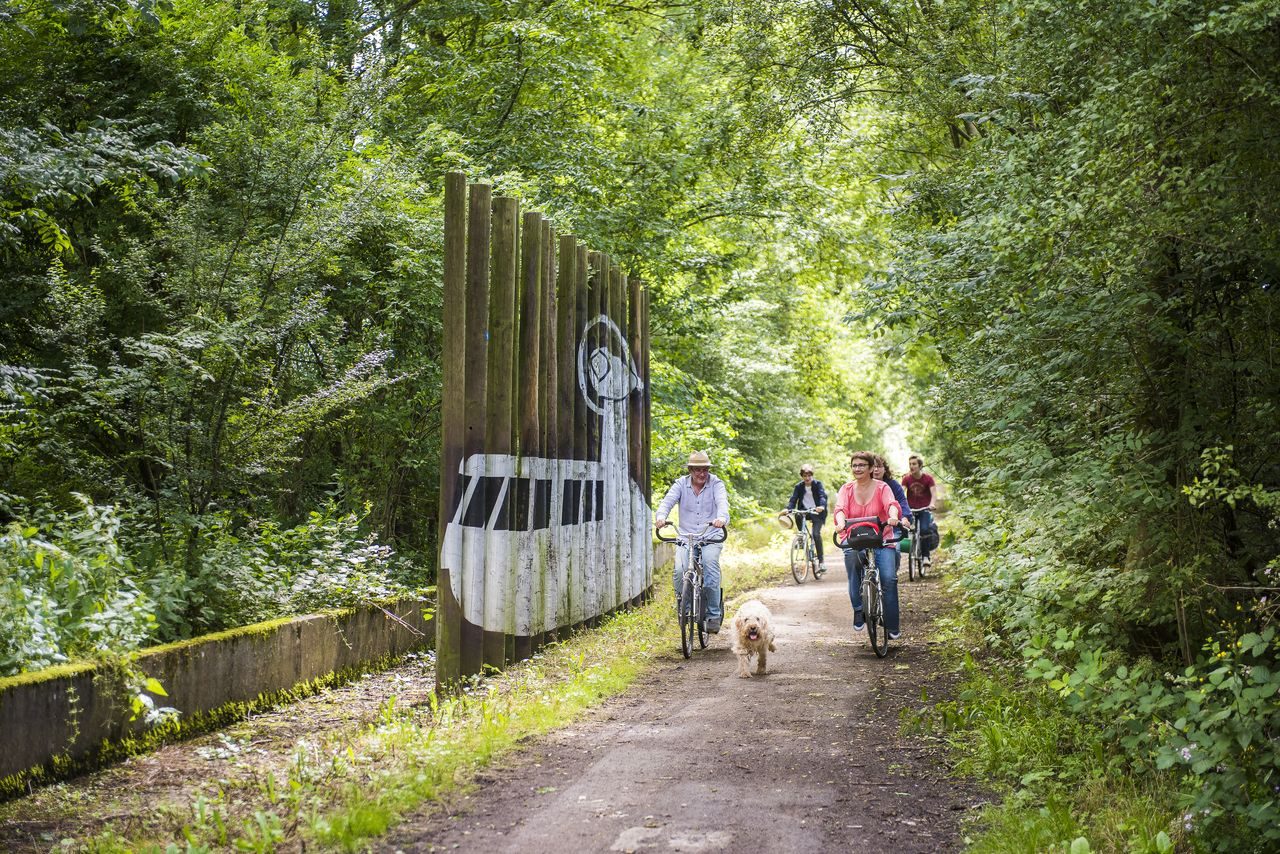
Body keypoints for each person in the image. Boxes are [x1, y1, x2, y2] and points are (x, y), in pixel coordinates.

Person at [655, 450, 730, 633]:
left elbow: (723, 504)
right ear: (690, 470)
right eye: (697, 470)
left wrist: (721, 518)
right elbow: (666, 503)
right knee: (680, 570)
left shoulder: (716, 484)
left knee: (710, 565)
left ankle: (713, 614)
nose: (702, 474)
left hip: (710, 536)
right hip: (686, 537)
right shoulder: (680, 484)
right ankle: (684, 609)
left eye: (704, 469)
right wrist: (661, 517)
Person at [833, 450, 903, 638]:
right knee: (853, 564)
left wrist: (893, 517)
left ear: (871, 468)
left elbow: (891, 505)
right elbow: (840, 509)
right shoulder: (846, 489)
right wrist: (840, 523)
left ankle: (892, 625)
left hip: (882, 538)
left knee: (889, 578)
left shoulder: (882, 488)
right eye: (854, 465)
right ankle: (858, 609)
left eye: (862, 465)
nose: (857, 468)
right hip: (854, 539)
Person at [779, 464, 828, 568]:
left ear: (812, 476)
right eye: (805, 476)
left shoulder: (817, 484)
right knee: (798, 515)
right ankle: (801, 538)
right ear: (802, 476)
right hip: (804, 510)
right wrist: (789, 509)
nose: (807, 478)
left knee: (816, 534)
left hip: (817, 512)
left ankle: (821, 561)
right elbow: (794, 499)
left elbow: (822, 496)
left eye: (809, 475)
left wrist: (822, 506)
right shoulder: (799, 486)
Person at [901, 454, 939, 567]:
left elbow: (934, 494)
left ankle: (926, 556)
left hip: (924, 509)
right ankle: (910, 549)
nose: (911, 466)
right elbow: (901, 492)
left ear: (920, 466)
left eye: (914, 464)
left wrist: (932, 504)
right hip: (910, 509)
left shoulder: (928, 479)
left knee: (924, 530)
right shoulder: (906, 478)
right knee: (907, 529)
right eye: (910, 464)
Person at [872, 455, 914, 537]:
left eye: (879, 466)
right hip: (871, 528)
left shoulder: (893, 485)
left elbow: (902, 502)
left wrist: (904, 518)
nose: (876, 469)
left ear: (885, 469)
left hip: (893, 526)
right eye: (873, 467)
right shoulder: (863, 485)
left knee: (897, 547)